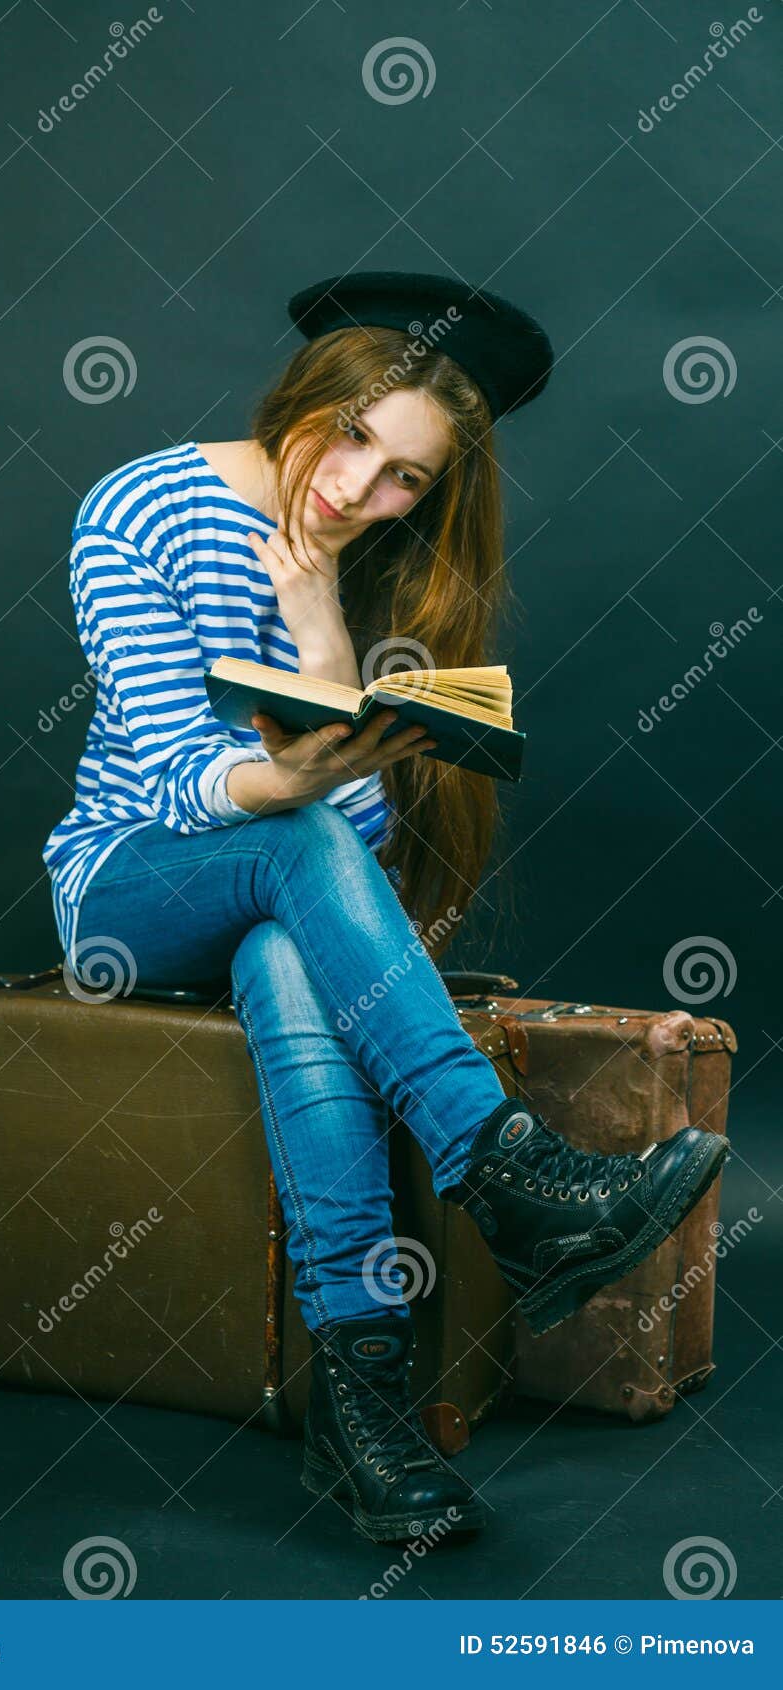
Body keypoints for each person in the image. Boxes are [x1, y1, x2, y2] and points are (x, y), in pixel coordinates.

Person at [41, 271, 729, 1546]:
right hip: (123, 892)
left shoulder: (376, 570)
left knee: (291, 956)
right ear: (310, 393)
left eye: (405, 475)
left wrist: (317, 629)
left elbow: (355, 843)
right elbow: (186, 782)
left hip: (267, 906)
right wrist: (292, 771)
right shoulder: (139, 506)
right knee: (286, 832)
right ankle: (508, 1173)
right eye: (352, 436)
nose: (358, 492)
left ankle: (363, 1420)